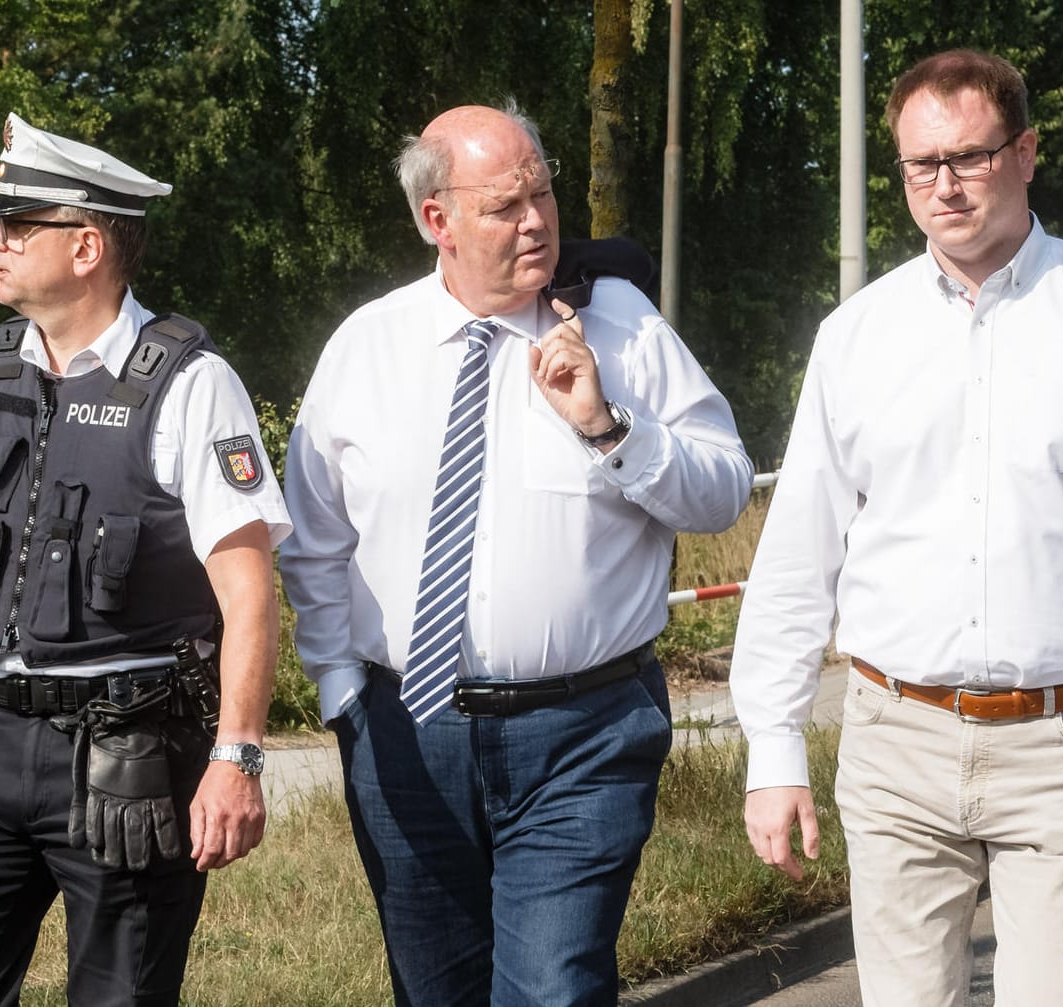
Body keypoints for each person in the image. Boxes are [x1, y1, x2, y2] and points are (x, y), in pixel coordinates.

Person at [729, 50, 1063, 1006]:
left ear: (1027, 151)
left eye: (968, 155)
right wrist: (774, 745)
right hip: (893, 739)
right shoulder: (858, 335)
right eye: (920, 164)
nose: (944, 185)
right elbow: (799, 551)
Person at [278, 102, 753, 1006]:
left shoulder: (620, 326)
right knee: (435, 990)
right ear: (437, 221)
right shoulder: (366, 349)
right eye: (505, 205)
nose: (535, 220)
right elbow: (314, 540)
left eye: (542, 193)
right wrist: (342, 693)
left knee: (551, 987)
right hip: (406, 739)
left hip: (582, 732)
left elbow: (724, 486)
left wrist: (609, 426)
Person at [0, 112, 291, 1006]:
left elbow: (247, 590)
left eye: (13, 224)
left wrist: (236, 757)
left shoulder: (192, 384)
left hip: (123, 761)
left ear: (86, 246)